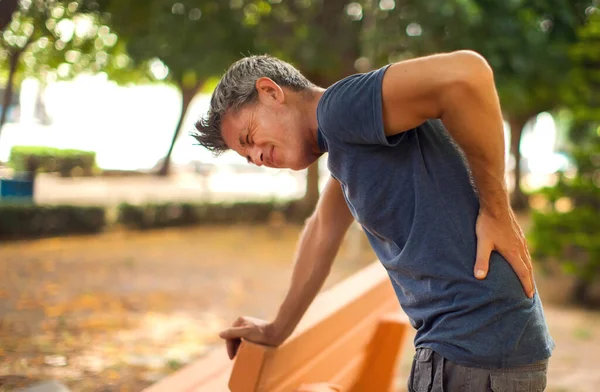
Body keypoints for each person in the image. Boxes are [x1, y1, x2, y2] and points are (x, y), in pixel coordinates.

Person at [193, 51, 554, 391]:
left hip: (473, 344)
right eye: (247, 156)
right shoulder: (346, 144)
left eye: (249, 137)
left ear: (270, 92)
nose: (256, 156)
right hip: (481, 343)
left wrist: (497, 210)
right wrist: (276, 328)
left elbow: (468, 73)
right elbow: (322, 229)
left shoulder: (338, 110)